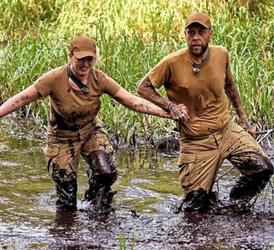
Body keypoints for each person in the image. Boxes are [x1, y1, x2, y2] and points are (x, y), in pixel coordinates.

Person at [0, 35, 172, 211]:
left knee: (105, 172)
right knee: (67, 198)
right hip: (62, 137)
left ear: (95, 59)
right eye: (80, 59)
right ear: (70, 57)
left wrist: (168, 112)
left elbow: (131, 101)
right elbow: (21, 99)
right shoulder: (53, 78)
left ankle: (95, 208)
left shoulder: (100, 79)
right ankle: (68, 232)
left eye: (90, 59)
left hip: (90, 131)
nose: (85, 64)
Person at [138, 12, 274, 212]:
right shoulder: (171, 63)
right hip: (196, 140)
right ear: (185, 34)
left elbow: (230, 86)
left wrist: (244, 121)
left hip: (226, 130)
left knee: (262, 169)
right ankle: (209, 202)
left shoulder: (221, 54)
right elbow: (143, 87)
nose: (195, 37)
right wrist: (170, 106)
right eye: (190, 32)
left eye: (200, 32)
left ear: (210, 34)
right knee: (195, 207)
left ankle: (234, 206)